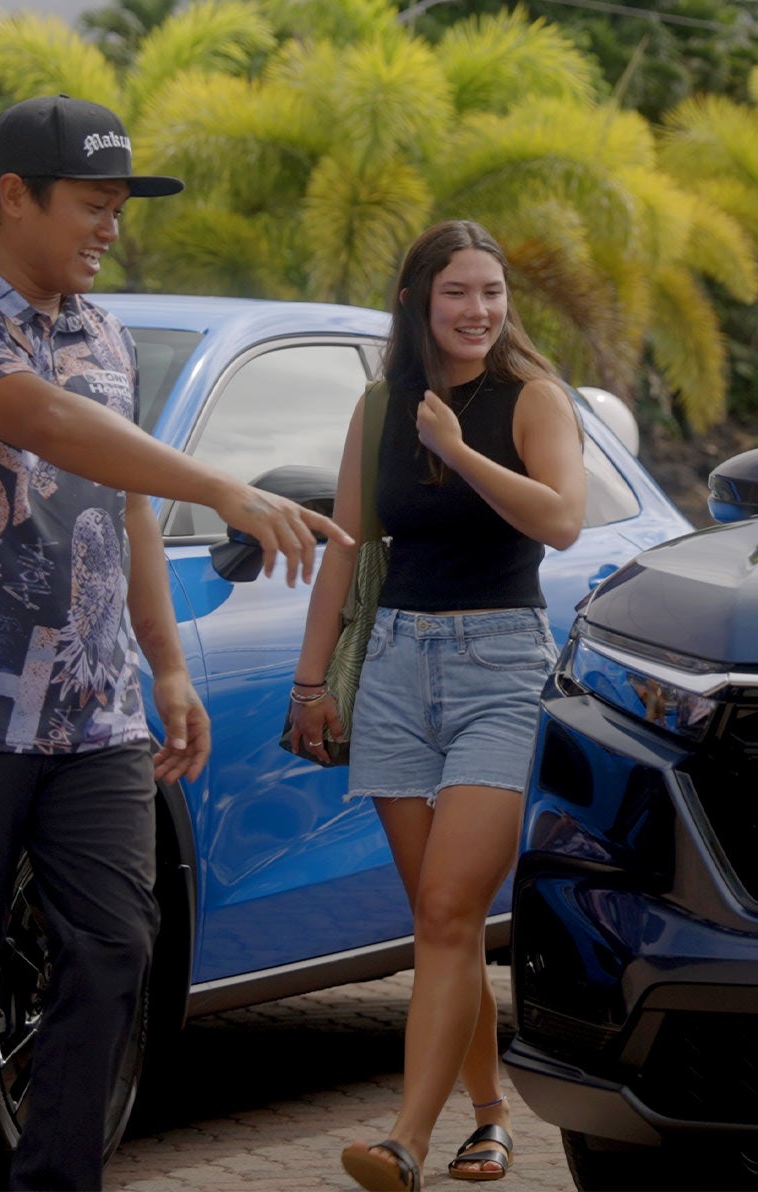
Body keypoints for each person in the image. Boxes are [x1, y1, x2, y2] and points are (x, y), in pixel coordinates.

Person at [0, 93, 349, 1190]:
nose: (110, 226)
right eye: (93, 203)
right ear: (15, 196)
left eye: (120, 206)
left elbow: (125, 494)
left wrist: (166, 662)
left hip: (92, 715)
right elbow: (39, 420)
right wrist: (222, 484)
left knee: (117, 949)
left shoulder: (106, 334)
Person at [289, 220, 587, 1190]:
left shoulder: (531, 399)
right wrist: (307, 681)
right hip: (396, 669)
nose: (480, 311)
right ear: (420, 301)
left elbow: (562, 517)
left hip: (500, 667)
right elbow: (347, 543)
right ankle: (490, 1119)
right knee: (438, 918)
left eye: (493, 292)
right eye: (459, 292)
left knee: (453, 908)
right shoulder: (381, 405)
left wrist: (458, 451)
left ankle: (404, 1141)